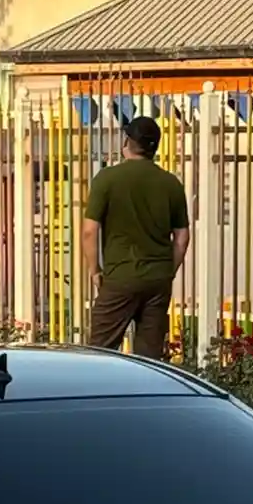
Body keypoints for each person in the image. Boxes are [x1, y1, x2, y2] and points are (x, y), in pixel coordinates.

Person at [81, 116, 191, 360]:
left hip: (121, 276)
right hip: (158, 280)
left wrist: (95, 270)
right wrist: (168, 270)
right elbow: (182, 236)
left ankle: (101, 397)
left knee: (99, 353)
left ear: (127, 141)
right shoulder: (171, 183)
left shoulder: (108, 178)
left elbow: (90, 230)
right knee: (150, 360)